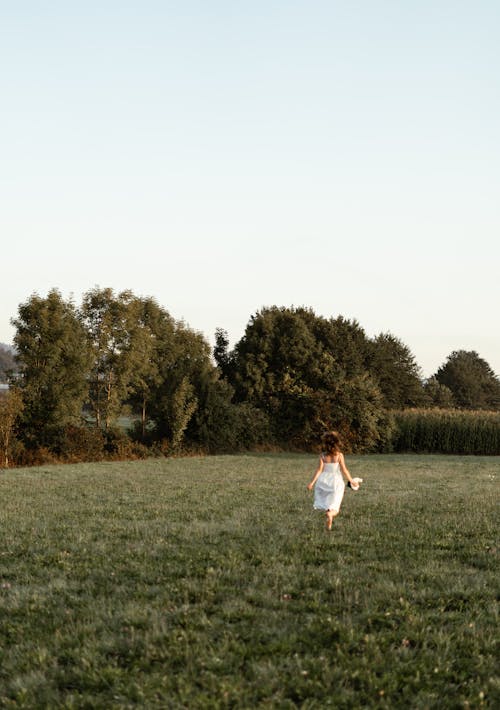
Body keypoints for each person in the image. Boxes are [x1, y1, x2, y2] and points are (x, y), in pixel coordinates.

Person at [307, 431, 357, 530]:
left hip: (323, 482)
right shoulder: (339, 456)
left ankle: (329, 524)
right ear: (337, 443)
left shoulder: (322, 456)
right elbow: (344, 470)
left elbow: (319, 470)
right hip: (336, 483)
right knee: (335, 506)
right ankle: (330, 515)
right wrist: (351, 480)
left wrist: (311, 483)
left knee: (327, 503)